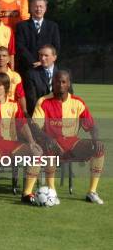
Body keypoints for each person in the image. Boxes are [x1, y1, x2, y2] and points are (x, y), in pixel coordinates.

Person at [32, 70, 106, 205]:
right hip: (50, 142)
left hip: (72, 143)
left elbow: (92, 126)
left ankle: (92, 192)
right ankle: (52, 192)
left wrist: (96, 139)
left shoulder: (78, 102)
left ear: (68, 84)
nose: (60, 84)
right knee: (48, 147)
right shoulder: (43, 102)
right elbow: (35, 127)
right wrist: (48, 139)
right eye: (57, 81)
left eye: (63, 82)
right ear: (52, 83)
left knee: (98, 148)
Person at [0, 73, 42, 206]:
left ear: (6, 88)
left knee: (36, 152)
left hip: (12, 145)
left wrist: (32, 142)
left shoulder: (14, 105)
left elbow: (22, 125)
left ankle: (27, 193)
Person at [15, 0, 61, 75]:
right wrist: (33, 62)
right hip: (27, 69)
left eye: (41, 7)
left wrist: (43, 62)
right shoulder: (21, 26)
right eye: (36, 6)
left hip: (47, 68)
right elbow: (20, 47)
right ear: (31, 8)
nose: (38, 9)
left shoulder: (53, 26)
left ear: (45, 9)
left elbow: (56, 47)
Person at [25, 44, 58, 115]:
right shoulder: (31, 74)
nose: (42, 58)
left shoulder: (63, 73)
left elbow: (68, 96)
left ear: (54, 57)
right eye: (41, 55)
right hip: (39, 114)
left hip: (58, 113)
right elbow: (32, 99)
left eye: (46, 55)